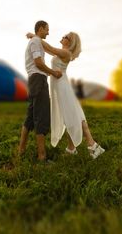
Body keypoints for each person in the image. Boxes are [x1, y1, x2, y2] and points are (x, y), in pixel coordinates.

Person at [26, 30, 105, 159]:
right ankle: (75, 147)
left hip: (62, 87)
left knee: (71, 115)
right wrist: (37, 40)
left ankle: (90, 146)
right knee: (73, 115)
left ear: (70, 41)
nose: (62, 37)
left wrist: (35, 37)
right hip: (60, 85)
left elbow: (49, 48)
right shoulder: (62, 52)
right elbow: (49, 49)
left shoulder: (65, 52)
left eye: (66, 37)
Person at [18, 20, 63, 163]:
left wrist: (33, 36)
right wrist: (53, 73)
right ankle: (42, 157)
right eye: (47, 30)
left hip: (33, 80)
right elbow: (38, 62)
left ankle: (21, 151)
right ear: (41, 28)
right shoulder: (36, 41)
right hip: (38, 80)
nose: (48, 33)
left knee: (30, 117)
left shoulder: (35, 41)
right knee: (41, 117)